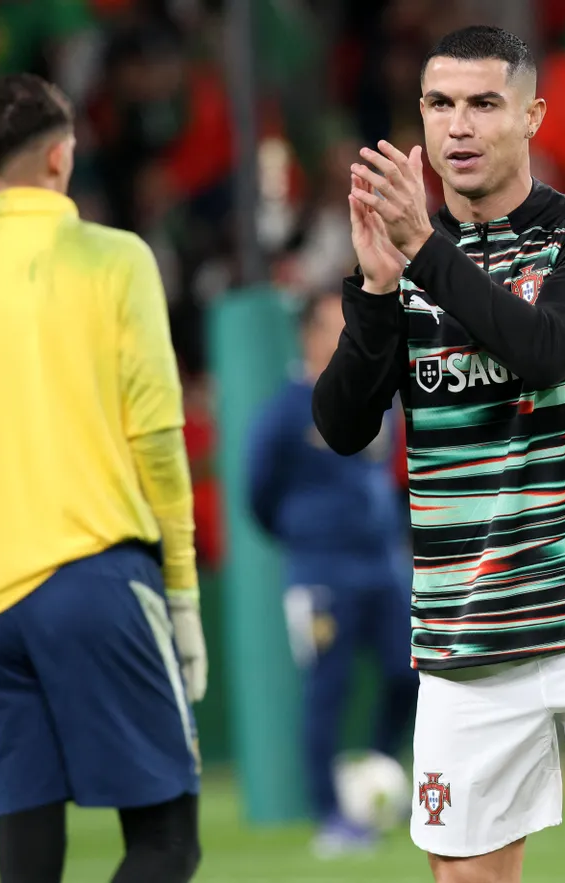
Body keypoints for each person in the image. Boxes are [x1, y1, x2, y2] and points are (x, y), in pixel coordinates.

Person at [313, 24, 565, 883]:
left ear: (530, 116)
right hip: (468, 640)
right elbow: (342, 426)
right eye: (440, 104)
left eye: (484, 104)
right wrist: (378, 292)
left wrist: (423, 251)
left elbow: (547, 349)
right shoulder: (402, 260)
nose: (459, 125)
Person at [0, 73, 205, 883]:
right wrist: (182, 594)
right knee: (166, 840)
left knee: (27, 858)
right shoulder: (115, 258)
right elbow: (158, 440)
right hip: (96, 573)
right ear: (63, 156)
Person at [246, 290, 417, 856]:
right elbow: (258, 493)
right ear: (307, 336)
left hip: (381, 566)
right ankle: (329, 815)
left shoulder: (378, 400)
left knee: (408, 674)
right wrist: (305, 535)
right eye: (331, 327)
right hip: (320, 572)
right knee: (327, 689)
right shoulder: (285, 409)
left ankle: (374, 773)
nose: (344, 336)